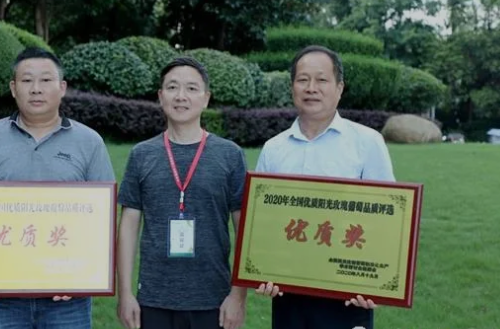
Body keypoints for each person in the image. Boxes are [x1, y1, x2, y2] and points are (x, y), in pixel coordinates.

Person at [0, 47, 115, 329]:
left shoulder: (89, 142)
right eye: (27, 80)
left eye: (45, 80)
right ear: (13, 88)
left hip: (67, 295)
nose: (36, 89)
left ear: (62, 87)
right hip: (2, 291)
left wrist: (84, 275)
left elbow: (103, 218)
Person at [254, 45, 395, 329]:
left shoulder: (367, 143)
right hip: (288, 291)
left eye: (321, 80)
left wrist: (378, 283)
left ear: (339, 88)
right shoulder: (274, 148)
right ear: (292, 87)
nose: (311, 88)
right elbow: (262, 222)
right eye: (303, 80)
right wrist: (261, 269)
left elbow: (387, 219)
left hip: (348, 293)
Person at [116, 57, 248, 329]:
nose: (181, 96)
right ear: (160, 96)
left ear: (206, 98)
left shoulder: (230, 155)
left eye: (191, 88)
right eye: (172, 87)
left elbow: (244, 230)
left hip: (214, 300)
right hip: (153, 298)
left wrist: (238, 296)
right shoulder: (142, 154)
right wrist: (125, 294)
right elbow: (128, 226)